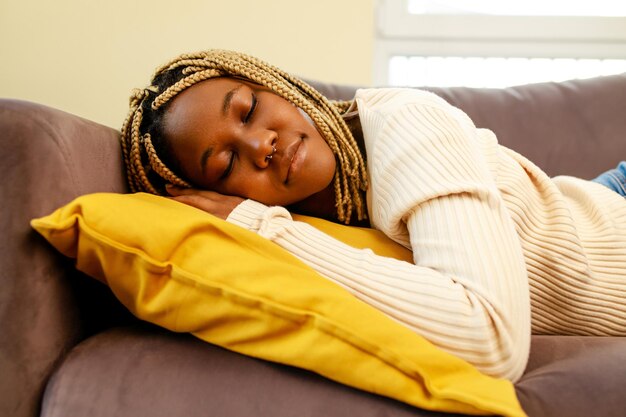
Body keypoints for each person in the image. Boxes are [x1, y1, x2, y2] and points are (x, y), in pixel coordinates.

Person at [121, 49, 626, 382]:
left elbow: (490, 339)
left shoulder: (405, 124)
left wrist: (265, 230)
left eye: (250, 109)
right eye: (227, 161)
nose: (261, 144)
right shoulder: (324, 218)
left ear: (274, 84)